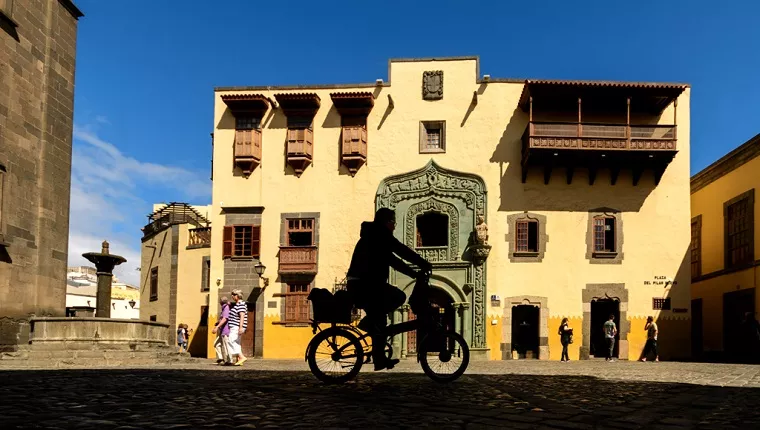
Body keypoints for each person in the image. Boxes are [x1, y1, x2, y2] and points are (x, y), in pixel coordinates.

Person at [346, 208, 432, 371]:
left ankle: (379, 359)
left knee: (381, 323)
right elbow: (400, 251)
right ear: (387, 222)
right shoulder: (378, 235)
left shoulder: (375, 236)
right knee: (398, 297)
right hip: (364, 285)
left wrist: (414, 272)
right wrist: (421, 264)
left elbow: (393, 259)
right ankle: (368, 323)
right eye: (393, 223)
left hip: (366, 285)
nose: (394, 226)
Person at [228, 289, 248, 366]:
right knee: (236, 342)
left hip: (236, 326)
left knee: (231, 340)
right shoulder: (238, 304)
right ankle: (239, 359)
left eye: (233, 295)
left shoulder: (241, 304)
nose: (232, 297)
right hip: (235, 326)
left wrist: (240, 327)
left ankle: (241, 357)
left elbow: (242, 316)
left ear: (237, 296)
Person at [212, 296, 232, 365]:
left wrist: (217, 326)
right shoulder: (224, 308)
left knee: (226, 345)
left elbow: (225, 318)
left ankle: (229, 361)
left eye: (220, 301)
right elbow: (222, 318)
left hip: (226, 330)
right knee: (216, 344)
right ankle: (221, 358)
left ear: (221, 302)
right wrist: (218, 323)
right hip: (222, 330)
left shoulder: (226, 308)